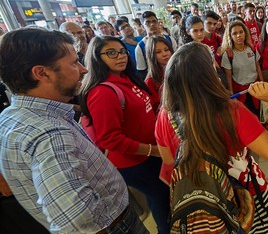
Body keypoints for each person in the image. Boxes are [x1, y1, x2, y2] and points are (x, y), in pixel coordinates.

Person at [0, 28, 148, 233]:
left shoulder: (13, 116)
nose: (83, 69)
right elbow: (76, 221)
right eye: (73, 63)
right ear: (42, 73)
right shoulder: (50, 136)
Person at [162, 42, 268, 233]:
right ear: (209, 74)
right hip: (243, 195)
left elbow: (169, 160)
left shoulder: (165, 116)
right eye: (213, 64)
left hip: (201, 200)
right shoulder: (231, 111)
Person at [80, 36, 170, 233]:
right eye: (111, 53)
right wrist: (153, 151)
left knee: (162, 197)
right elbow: (109, 139)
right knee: (161, 198)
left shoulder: (126, 78)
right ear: (97, 57)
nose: (120, 57)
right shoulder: (103, 92)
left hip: (151, 154)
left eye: (122, 52)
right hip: (135, 162)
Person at [221, 21, 263, 114]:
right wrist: (231, 92)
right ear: (230, 36)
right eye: (235, 33)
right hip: (240, 92)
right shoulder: (228, 54)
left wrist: (262, 82)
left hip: (255, 88)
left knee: (258, 114)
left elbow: (257, 66)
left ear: (245, 33)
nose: (238, 35)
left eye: (241, 32)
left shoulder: (252, 48)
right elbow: (228, 75)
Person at [135, 11, 177, 78]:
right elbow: (142, 71)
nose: (152, 24)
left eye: (154, 21)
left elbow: (176, 60)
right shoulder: (140, 47)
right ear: (142, 26)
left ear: (158, 23)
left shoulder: (170, 40)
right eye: (148, 23)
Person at [145, 35, 174, 112]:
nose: (165, 54)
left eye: (166, 49)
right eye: (158, 52)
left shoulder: (177, 70)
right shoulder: (150, 81)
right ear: (151, 56)